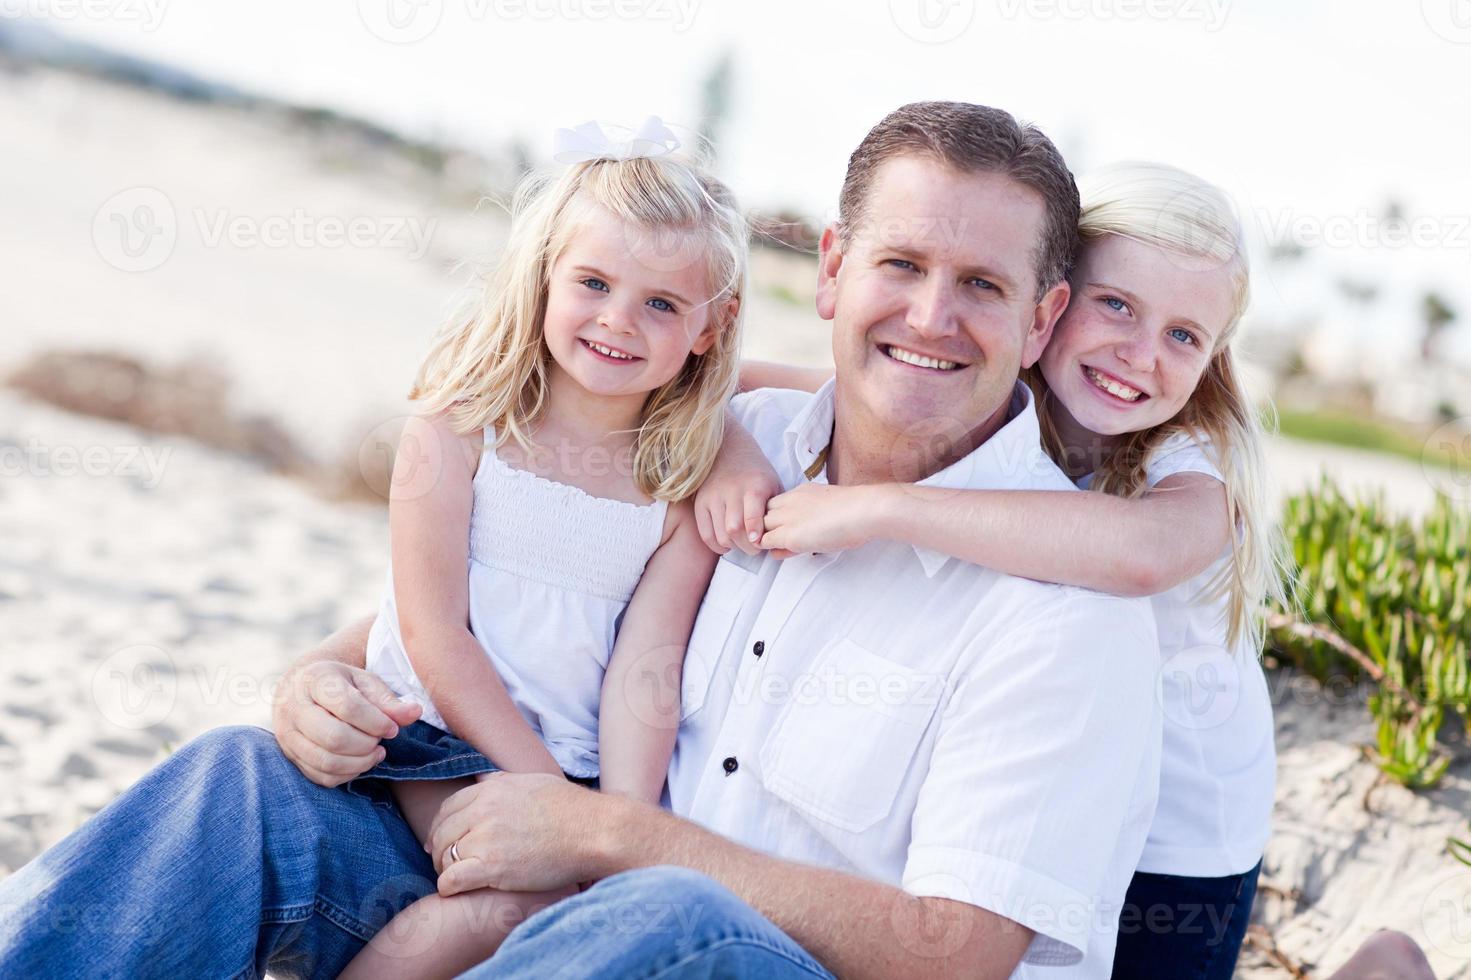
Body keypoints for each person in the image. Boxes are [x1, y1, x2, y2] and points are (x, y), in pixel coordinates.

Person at [0, 102, 1161, 979]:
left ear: (1043, 316)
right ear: (832, 269)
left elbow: (954, 951)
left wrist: (607, 833)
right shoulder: (723, 438)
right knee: (239, 778)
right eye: (901, 265)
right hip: (548, 883)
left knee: (664, 913)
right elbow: (491, 589)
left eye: (981, 285)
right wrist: (318, 674)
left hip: (726, 949)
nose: (928, 316)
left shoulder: (1063, 604)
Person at [710, 161, 1293, 979]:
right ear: (1046, 306)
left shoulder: (1188, 458)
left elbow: (1137, 557)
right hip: (1063, 798)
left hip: (1180, 839)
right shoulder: (992, 388)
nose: (1140, 354)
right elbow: (742, 383)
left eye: (1183, 336)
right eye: (1116, 305)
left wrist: (884, 508)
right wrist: (736, 452)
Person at [327, 122, 745, 977]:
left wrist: (614, 828)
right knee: (498, 911)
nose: (618, 321)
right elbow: (436, 637)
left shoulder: (674, 492)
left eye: (662, 303)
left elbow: (646, 671)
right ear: (544, 279)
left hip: (581, 771)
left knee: (591, 909)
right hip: (439, 739)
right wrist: (543, 795)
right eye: (592, 282)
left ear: (712, 326)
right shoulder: (454, 435)